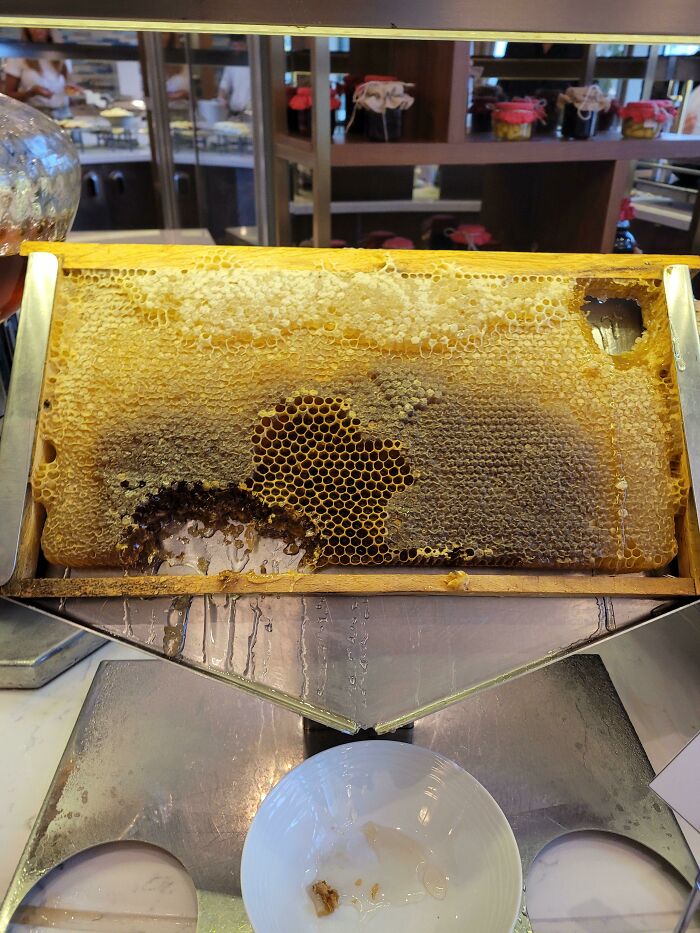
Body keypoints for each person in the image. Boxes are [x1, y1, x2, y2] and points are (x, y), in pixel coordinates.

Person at [3, 28, 79, 118]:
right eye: (33, 27)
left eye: (42, 26)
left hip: (63, 114)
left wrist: (73, 89)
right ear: (27, 30)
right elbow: (8, 96)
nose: (37, 30)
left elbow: (69, 84)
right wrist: (31, 93)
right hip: (34, 116)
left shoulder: (62, 53)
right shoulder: (18, 55)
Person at [217, 36, 251, 114]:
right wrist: (221, 98)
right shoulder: (232, 63)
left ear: (248, 45)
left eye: (241, 46)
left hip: (252, 111)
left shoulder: (256, 61)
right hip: (234, 111)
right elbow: (224, 84)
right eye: (235, 46)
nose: (237, 49)